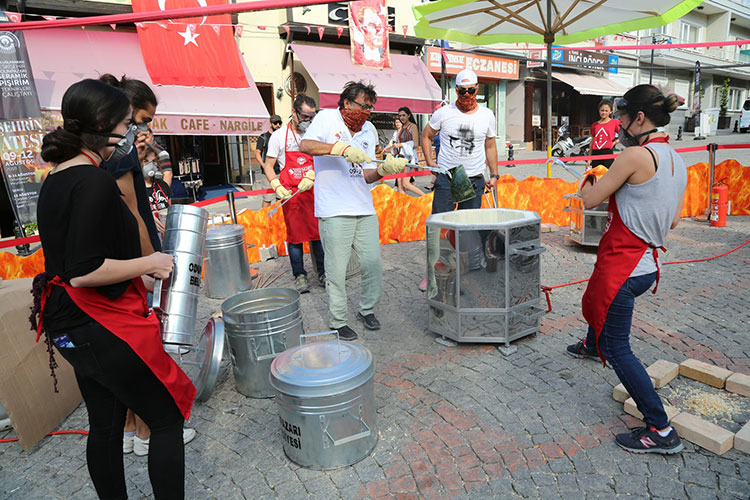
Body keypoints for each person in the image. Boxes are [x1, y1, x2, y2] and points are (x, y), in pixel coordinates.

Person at [30, 79, 194, 500]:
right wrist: (152, 262)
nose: (133, 135)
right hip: (98, 319)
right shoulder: (93, 181)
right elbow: (83, 271)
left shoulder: (55, 179)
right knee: (166, 419)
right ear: (103, 125)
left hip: (66, 321)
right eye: (128, 124)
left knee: (104, 423)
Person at [566, 85, 687, 454]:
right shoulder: (676, 160)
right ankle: (590, 343)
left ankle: (660, 429)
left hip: (625, 266)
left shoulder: (633, 155)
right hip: (647, 263)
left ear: (638, 118)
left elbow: (588, 200)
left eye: (621, 115)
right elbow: (675, 222)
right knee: (596, 295)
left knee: (619, 349)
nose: (616, 121)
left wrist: (591, 178)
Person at [99, 74, 195, 457]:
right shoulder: (120, 154)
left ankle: (127, 429)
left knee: (120, 355)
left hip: (110, 263)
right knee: (142, 348)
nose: (144, 129)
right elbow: (133, 211)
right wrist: (151, 264)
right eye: (139, 119)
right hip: (131, 262)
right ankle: (147, 431)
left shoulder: (99, 154)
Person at [300, 81, 407, 341]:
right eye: (363, 106)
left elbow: (366, 174)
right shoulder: (326, 118)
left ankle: (367, 309)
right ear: (347, 103)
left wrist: (383, 171)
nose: (367, 112)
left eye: (370, 108)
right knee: (336, 271)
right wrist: (339, 148)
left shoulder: (368, 129)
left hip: (363, 205)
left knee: (372, 263)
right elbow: (306, 145)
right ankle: (338, 321)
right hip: (334, 209)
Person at [420, 69, 499, 292]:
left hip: (473, 178)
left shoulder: (487, 115)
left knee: (469, 228)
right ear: (456, 90)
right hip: (448, 176)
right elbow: (426, 136)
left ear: (477, 89)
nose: (466, 95)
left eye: (471, 90)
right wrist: (431, 165)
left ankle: (465, 271)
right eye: (462, 91)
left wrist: (493, 174)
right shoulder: (444, 113)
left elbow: (490, 145)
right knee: (439, 228)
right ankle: (433, 272)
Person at [263, 95, 325, 293]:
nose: (308, 121)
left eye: (312, 117)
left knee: (318, 235)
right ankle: (299, 275)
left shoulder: (315, 134)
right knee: (295, 237)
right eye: (305, 116)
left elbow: (323, 159)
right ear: (294, 113)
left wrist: (313, 174)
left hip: (314, 192)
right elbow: (269, 165)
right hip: (291, 195)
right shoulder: (278, 136)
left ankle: (323, 272)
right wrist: (275, 184)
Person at [393, 107, 425, 197]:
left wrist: (401, 145)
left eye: (403, 115)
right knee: (399, 184)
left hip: (408, 159)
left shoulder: (413, 126)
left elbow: (416, 144)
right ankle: (403, 205)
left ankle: (426, 198)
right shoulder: (402, 127)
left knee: (406, 184)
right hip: (400, 158)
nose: (402, 118)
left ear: (408, 115)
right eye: (400, 116)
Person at [143, 144, 172, 240]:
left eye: (154, 161)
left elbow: (170, 208)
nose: (152, 165)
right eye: (146, 161)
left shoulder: (163, 185)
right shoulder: (136, 189)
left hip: (166, 235)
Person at [255, 115, 283, 208]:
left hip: (280, 171)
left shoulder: (281, 136)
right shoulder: (263, 137)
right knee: (267, 199)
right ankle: (265, 220)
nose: (278, 125)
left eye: (280, 123)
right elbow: (257, 153)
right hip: (267, 173)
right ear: (270, 124)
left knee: (280, 197)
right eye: (275, 123)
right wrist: (264, 165)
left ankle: (278, 219)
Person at [587, 99, 621, 169]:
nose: (604, 112)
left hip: (607, 152)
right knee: (596, 176)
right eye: (602, 110)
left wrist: (614, 142)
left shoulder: (615, 123)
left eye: (606, 111)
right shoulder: (594, 125)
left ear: (611, 111)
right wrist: (589, 159)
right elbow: (592, 141)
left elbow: (624, 135)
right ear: (599, 110)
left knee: (608, 175)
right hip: (595, 153)